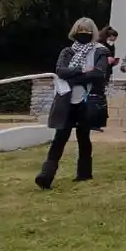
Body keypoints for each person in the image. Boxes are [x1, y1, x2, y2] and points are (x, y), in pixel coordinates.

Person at [34, 19, 109, 190]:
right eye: (80, 29)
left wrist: (72, 76)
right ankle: (46, 175)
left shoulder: (100, 51)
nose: (83, 32)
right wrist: (82, 70)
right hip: (67, 101)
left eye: (86, 30)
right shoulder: (68, 51)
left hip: (87, 100)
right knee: (60, 138)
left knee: (84, 137)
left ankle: (84, 173)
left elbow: (99, 74)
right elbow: (60, 71)